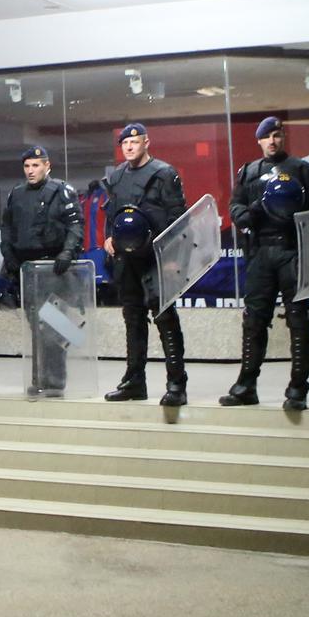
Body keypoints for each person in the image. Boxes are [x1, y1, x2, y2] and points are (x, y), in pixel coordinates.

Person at [221, 116, 309, 411]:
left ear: (283, 138)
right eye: (267, 137)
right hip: (261, 253)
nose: (272, 141)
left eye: (277, 136)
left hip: (293, 251)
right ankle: (246, 385)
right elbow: (236, 208)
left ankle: (298, 388)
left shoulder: (303, 170)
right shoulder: (249, 172)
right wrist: (253, 210)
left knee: (298, 319)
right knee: (254, 320)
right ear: (259, 141)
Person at [102, 123, 189, 407]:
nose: (128, 147)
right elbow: (112, 212)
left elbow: (178, 218)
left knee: (164, 317)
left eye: (134, 142)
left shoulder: (164, 173)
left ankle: (177, 383)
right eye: (124, 143)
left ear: (146, 142)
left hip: (156, 257)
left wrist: (174, 256)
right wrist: (108, 238)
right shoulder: (116, 176)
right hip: (127, 258)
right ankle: (134, 381)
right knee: (133, 318)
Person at [0, 145, 84, 396]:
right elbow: (7, 228)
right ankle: (39, 378)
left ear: (47, 166)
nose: (31, 170)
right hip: (28, 271)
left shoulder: (61, 191)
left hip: (54, 270)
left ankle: (55, 380)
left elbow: (75, 226)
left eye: (36, 165)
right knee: (36, 327)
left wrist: (67, 253)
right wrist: (9, 256)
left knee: (54, 328)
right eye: (27, 166)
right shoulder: (17, 194)